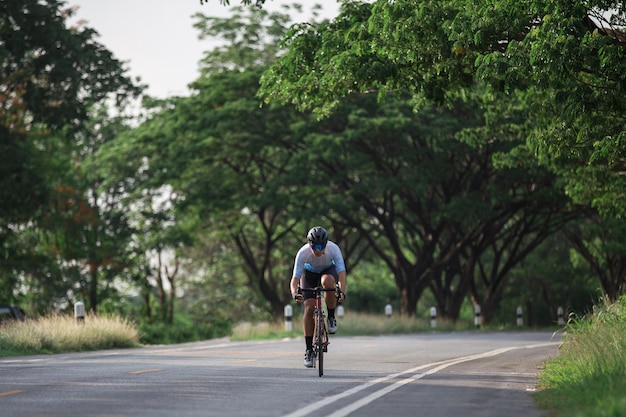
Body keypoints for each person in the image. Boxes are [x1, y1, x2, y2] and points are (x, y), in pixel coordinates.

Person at [290, 226, 347, 368]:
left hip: (328, 270)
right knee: (309, 308)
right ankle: (309, 350)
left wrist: (341, 291)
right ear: (309, 244)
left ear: (326, 244)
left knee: (327, 282)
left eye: (321, 246)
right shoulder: (303, 253)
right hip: (308, 274)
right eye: (314, 246)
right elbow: (295, 279)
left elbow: (342, 274)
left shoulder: (334, 249)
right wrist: (294, 293)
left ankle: (331, 317)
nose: (317, 250)